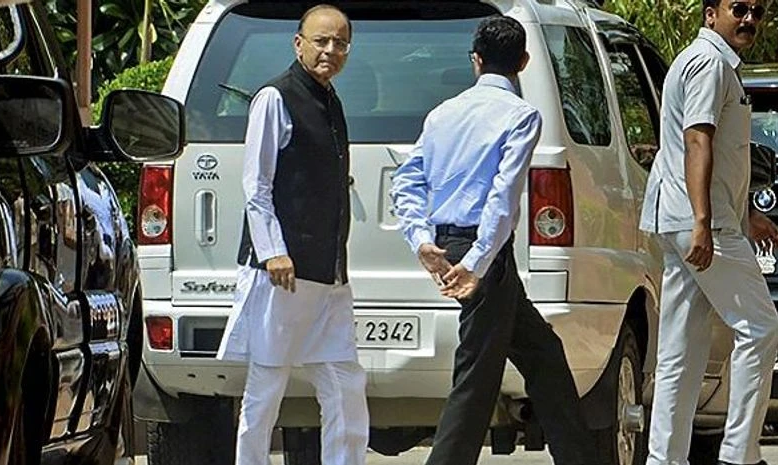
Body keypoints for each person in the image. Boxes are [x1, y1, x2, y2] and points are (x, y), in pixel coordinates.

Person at [391, 15, 597, 465]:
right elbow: (502, 197)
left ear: (476, 60)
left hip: (455, 245)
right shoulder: (521, 116)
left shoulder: (442, 113)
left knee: (543, 353)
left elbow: (407, 181)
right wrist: (477, 263)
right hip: (483, 252)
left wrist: (421, 239)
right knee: (477, 375)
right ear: (523, 62)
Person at [216, 5, 368, 465]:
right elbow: (256, 184)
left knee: (344, 380)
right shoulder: (275, 97)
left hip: (329, 273)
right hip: (283, 271)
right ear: (299, 43)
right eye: (321, 41)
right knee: (267, 383)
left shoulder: (331, 100)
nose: (330, 50)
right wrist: (272, 251)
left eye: (340, 43)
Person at [639, 2, 778, 465]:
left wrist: (746, 215)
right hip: (703, 225)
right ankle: (740, 455)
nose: (749, 19)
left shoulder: (712, 62)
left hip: (689, 220)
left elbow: (721, 154)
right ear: (710, 14)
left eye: (757, 11)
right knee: (761, 328)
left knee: (680, 351)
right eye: (738, 8)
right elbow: (697, 139)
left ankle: (665, 459)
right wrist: (704, 221)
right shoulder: (709, 62)